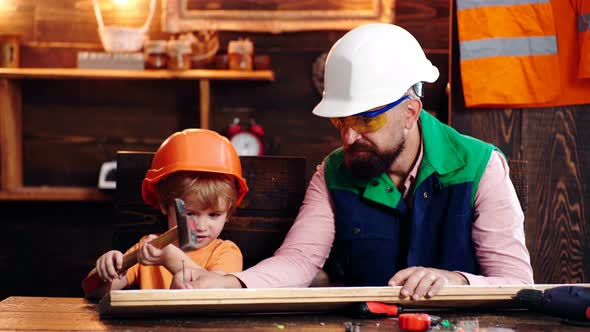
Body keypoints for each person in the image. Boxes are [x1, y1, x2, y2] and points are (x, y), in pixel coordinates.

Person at [170, 23, 534, 300]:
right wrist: (230, 282)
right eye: (340, 121)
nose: (348, 137)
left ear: (410, 112)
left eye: (367, 120)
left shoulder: (481, 166)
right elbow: (297, 261)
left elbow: (517, 283)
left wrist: (455, 281)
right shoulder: (332, 173)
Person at [82, 129, 248, 299]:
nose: (200, 226)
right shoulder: (150, 247)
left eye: (214, 215)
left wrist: (171, 259)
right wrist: (106, 268)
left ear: (228, 213)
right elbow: (93, 292)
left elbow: (215, 294)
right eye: (189, 213)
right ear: (165, 206)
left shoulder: (226, 252)